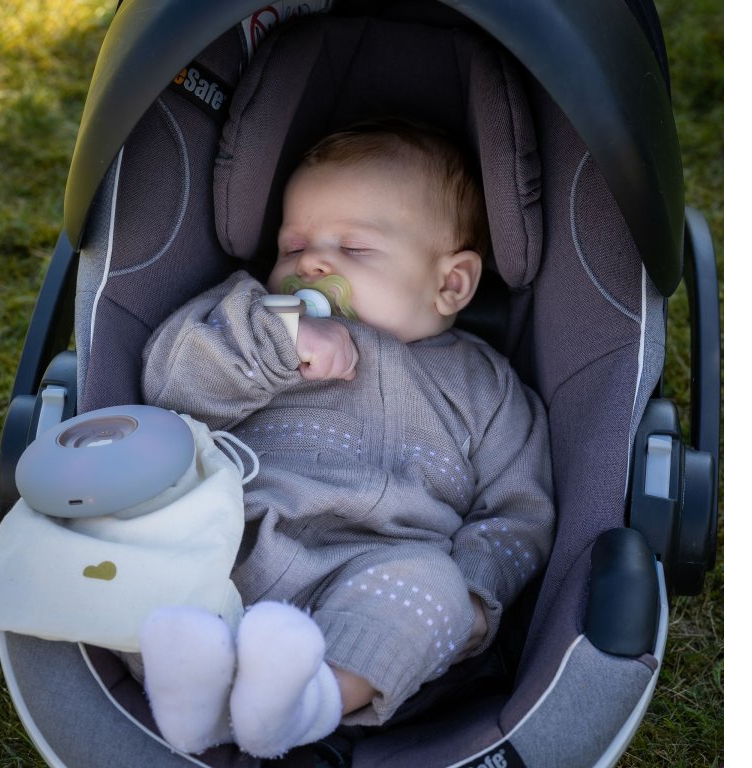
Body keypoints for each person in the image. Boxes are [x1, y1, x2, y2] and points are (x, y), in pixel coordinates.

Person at [138, 120, 555, 758]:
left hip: (379, 571)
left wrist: (474, 593)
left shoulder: (487, 387)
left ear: (451, 283)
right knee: (147, 542)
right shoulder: (254, 320)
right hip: (233, 535)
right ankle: (195, 688)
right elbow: (171, 383)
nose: (311, 263)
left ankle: (306, 699)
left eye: (354, 248)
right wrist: (280, 339)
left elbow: (519, 512)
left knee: (436, 590)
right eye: (292, 245)